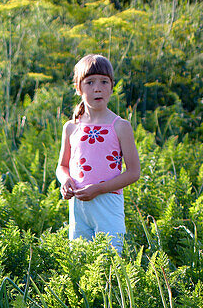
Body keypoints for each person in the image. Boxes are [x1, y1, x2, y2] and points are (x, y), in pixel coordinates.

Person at [56, 54, 140, 254]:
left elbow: (133, 172)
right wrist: (65, 181)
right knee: (80, 259)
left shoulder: (120, 126)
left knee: (111, 259)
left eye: (104, 82)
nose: (97, 88)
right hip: (78, 204)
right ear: (78, 88)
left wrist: (99, 189)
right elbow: (62, 166)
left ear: (112, 87)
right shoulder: (71, 127)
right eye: (90, 82)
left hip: (108, 202)